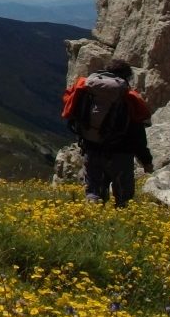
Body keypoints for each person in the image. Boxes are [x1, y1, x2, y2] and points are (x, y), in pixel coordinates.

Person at [62, 58, 154, 207]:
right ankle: (120, 224)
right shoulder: (128, 98)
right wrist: (146, 161)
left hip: (91, 149)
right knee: (124, 198)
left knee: (93, 192)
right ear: (126, 76)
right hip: (120, 154)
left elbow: (73, 117)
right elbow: (138, 136)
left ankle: (91, 221)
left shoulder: (87, 91)